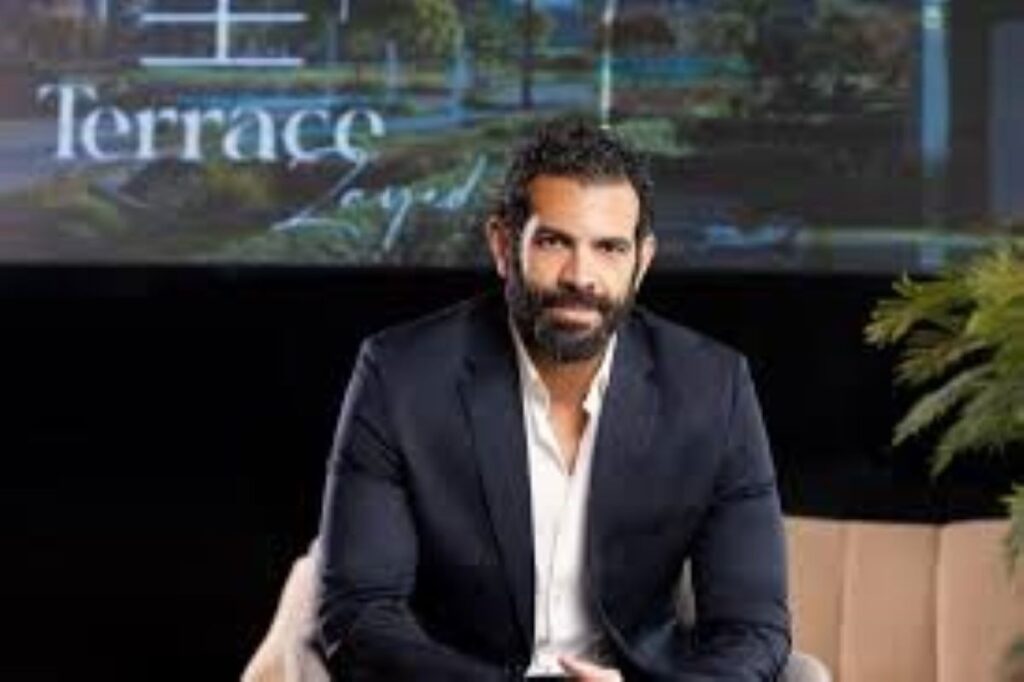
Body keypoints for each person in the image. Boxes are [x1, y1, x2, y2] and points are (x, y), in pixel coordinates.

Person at [316, 118, 790, 681]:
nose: (580, 276)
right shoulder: (401, 376)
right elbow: (360, 614)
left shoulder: (713, 388)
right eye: (553, 242)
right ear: (502, 245)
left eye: (609, 248)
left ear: (642, 262)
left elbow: (753, 628)